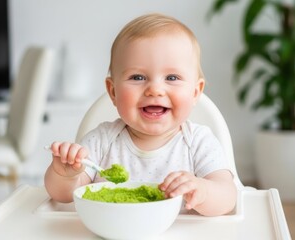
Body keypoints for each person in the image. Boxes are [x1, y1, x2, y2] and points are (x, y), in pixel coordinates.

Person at [44, 13, 237, 216]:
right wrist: (65, 175)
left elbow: (228, 196)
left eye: (172, 77)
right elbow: (64, 196)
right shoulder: (101, 141)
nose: (155, 89)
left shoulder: (198, 143)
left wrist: (203, 191)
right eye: (137, 77)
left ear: (195, 92)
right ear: (113, 92)